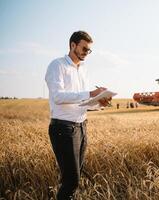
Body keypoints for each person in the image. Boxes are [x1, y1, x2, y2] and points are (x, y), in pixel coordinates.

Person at [45, 31, 109, 199]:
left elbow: (83, 102)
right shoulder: (57, 65)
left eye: (89, 50)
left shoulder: (83, 70)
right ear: (73, 45)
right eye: (84, 48)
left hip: (81, 127)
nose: (86, 53)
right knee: (71, 181)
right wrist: (90, 93)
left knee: (74, 177)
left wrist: (99, 102)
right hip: (63, 128)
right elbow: (58, 97)